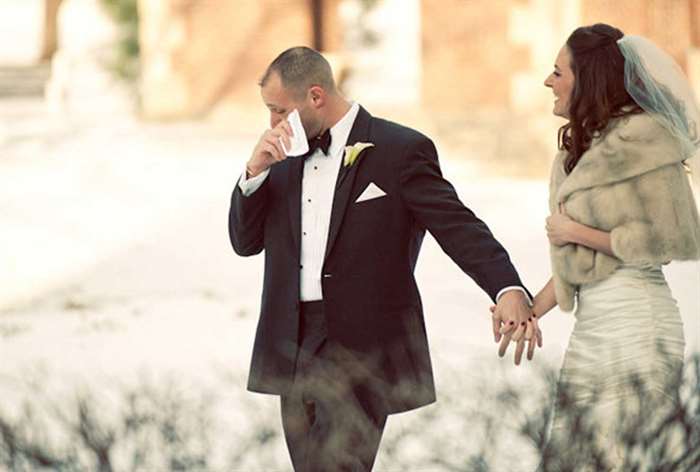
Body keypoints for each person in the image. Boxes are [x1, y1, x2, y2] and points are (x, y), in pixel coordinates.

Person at [228, 46, 537, 470]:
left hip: (363, 347)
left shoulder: (400, 150)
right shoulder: (280, 156)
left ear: (315, 96)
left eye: (278, 111)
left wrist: (506, 287)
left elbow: (458, 226)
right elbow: (245, 243)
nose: (272, 124)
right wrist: (255, 171)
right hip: (292, 342)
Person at [535, 23, 700, 468]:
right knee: (569, 456)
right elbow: (578, 264)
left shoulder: (647, 144)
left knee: (624, 457)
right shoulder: (572, 154)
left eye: (557, 72)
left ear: (586, 78)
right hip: (590, 331)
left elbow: (668, 241)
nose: (547, 82)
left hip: (639, 325)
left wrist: (575, 233)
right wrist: (531, 312)